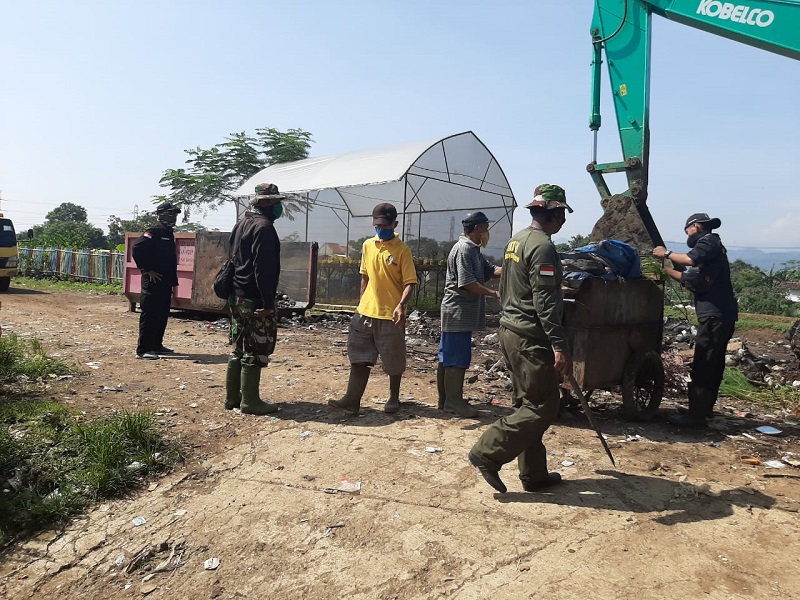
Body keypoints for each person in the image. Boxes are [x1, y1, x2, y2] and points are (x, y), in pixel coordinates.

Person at [468, 184, 573, 494]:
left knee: (527, 404)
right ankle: (487, 452)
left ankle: (534, 474)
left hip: (511, 329)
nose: (564, 222)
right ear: (553, 213)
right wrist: (559, 343)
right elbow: (543, 300)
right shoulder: (542, 247)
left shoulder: (517, 241)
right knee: (543, 406)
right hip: (529, 336)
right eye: (562, 215)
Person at [328, 202, 418, 415]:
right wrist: (361, 304)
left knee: (393, 360)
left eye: (385, 225)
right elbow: (365, 277)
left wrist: (401, 306)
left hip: (390, 315)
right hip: (365, 313)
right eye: (377, 225)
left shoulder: (403, 251)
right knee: (359, 357)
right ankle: (352, 399)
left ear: (395, 224)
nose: (381, 229)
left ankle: (394, 398)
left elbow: (410, 282)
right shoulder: (368, 245)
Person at [653, 213, 738, 428]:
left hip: (715, 315)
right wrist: (669, 271)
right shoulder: (713, 250)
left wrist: (667, 254)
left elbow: (690, 260)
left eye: (687, 230)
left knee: (704, 363)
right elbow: (694, 278)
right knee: (713, 363)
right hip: (720, 314)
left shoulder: (708, 241)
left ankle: (696, 417)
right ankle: (702, 409)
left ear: (696, 226)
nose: (687, 234)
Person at [224, 183, 284, 415]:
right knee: (256, 347)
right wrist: (267, 304)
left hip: (236, 295)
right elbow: (264, 270)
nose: (279, 207)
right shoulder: (264, 228)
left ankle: (233, 399)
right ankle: (250, 401)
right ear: (267, 203)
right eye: (277, 202)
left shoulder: (241, 224)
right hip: (253, 298)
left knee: (238, 345)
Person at [438, 211, 501, 417]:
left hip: (460, 312)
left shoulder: (473, 250)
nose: (487, 232)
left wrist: (515, 266)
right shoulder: (464, 250)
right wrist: (493, 293)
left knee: (447, 355)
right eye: (486, 227)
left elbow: (490, 270)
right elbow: (466, 283)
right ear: (477, 229)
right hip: (457, 312)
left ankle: (446, 399)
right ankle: (453, 402)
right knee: (456, 357)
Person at [132, 201, 181, 360]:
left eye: (174, 214)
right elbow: (137, 248)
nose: (173, 217)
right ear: (160, 214)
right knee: (150, 315)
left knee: (162, 314)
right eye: (170, 213)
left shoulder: (168, 232)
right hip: (153, 282)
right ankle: (144, 349)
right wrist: (147, 270)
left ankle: (156, 345)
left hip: (166, 281)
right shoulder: (153, 231)